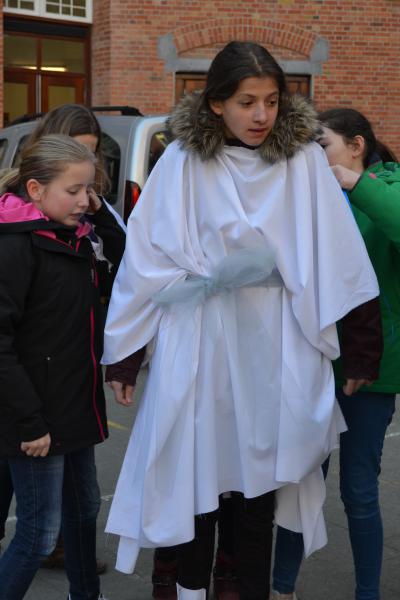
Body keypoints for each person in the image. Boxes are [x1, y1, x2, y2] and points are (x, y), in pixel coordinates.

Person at [102, 41, 382, 600]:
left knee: (262, 478)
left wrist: (360, 347)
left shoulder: (301, 161)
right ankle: (187, 589)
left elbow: (338, 254)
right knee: (196, 471)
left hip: (275, 336)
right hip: (200, 333)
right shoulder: (183, 160)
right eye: (247, 101)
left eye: (272, 102)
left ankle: (250, 589)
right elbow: (146, 259)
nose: (261, 116)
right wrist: (127, 354)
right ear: (215, 104)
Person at [272, 108, 400, 600]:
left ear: (356, 145)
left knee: (359, 491)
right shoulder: (311, 195)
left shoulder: (383, 188)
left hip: (372, 372)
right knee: (300, 483)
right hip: (313, 363)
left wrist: (355, 184)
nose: (314, 157)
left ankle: (367, 592)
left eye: (322, 145)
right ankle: (281, 587)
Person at [0, 103, 127, 573]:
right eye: (75, 188)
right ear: (37, 185)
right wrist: (30, 420)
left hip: (70, 403)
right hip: (33, 411)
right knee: (36, 535)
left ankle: (83, 589)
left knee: (82, 510)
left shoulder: (78, 232)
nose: (85, 198)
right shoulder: (19, 241)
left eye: (90, 186)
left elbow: (125, 262)